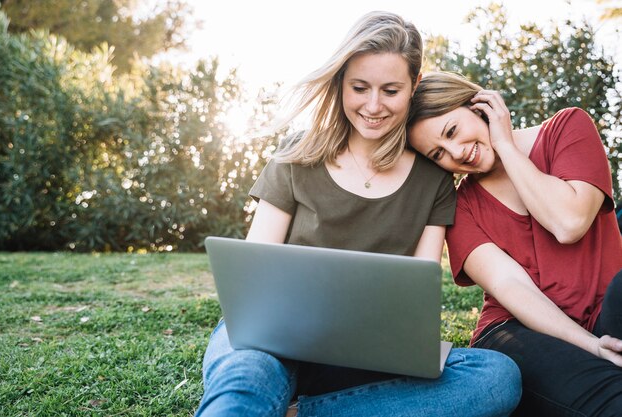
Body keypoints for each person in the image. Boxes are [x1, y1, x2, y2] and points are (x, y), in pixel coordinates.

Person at [194, 13, 521, 417]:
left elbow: (417, 299)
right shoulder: (297, 155)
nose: (373, 106)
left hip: (369, 359)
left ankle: (304, 412)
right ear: (341, 84)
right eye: (359, 88)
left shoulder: (433, 181)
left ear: (413, 87)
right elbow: (253, 282)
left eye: (390, 90)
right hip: (272, 344)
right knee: (243, 379)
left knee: (497, 376)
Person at [407, 71, 622, 416]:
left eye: (452, 131)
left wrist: (506, 146)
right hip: (520, 330)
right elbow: (511, 285)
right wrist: (592, 347)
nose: (457, 152)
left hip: (605, 311)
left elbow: (569, 222)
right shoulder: (459, 205)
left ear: (477, 105)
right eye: (438, 154)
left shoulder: (568, 127)